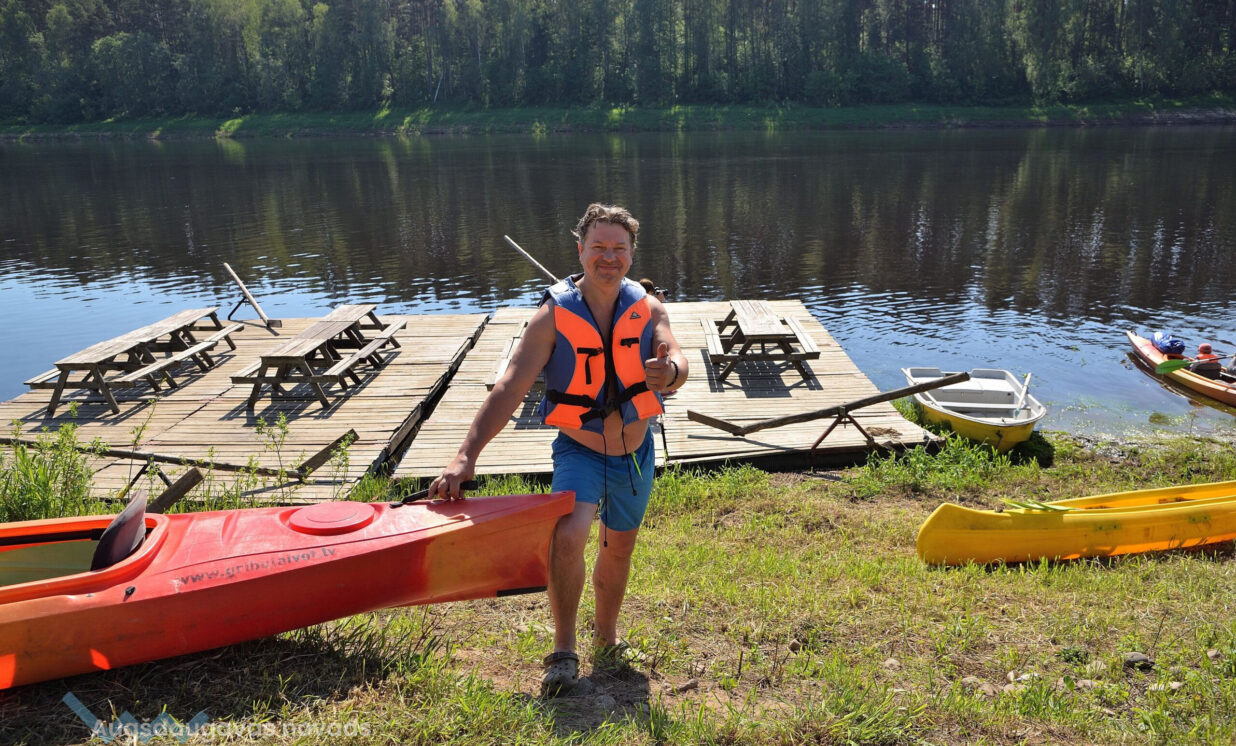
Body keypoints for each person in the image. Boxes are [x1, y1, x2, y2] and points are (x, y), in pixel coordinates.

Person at [429, 203, 688, 697]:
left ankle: (607, 639)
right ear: (581, 250)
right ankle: (564, 649)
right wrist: (466, 456)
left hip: (635, 453)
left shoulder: (650, 309)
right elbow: (509, 386)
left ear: (632, 254)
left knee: (618, 548)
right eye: (598, 247)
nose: (608, 257)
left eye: (618, 248)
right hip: (580, 450)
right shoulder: (552, 316)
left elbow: (675, 356)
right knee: (568, 536)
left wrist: (670, 372)